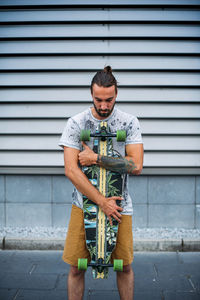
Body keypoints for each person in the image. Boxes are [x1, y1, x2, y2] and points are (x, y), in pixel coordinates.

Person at [59, 66, 144, 300]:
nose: (104, 106)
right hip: (82, 205)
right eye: (98, 100)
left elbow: (136, 166)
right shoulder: (77, 123)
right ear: (91, 94)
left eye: (109, 99)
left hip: (119, 206)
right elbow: (71, 170)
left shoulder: (128, 122)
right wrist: (101, 202)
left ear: (116, 94)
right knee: (77, 266)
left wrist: (96, 158)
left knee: (124, 265)